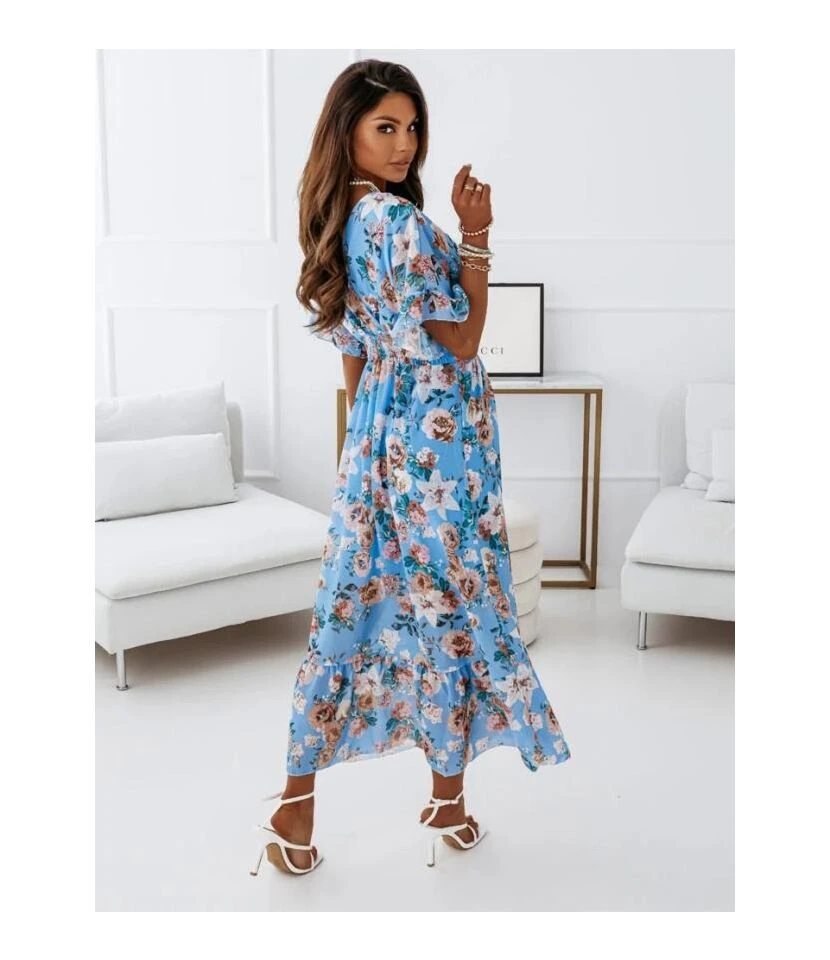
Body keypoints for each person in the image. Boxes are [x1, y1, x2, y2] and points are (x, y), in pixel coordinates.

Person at [250, 59, 571, 878]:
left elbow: (354, 359)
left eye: (412, 126)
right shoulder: (398, 222)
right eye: (385, 127)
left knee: (354, 610)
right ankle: (442, 796)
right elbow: (461, 342)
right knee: (450, 609)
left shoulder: (336, 224)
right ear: (347, 132)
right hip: (439, 448)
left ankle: (314, 805)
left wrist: (360, 461)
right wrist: (477, 235)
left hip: (376, 438)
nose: (405, 144)